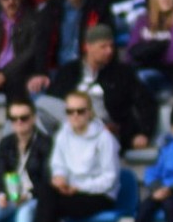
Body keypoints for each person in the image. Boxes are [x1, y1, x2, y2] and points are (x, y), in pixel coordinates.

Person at [39, 23, 157, 151]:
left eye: (111, 46)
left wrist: (143, 133)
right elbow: (55, 104)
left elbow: (146, 103)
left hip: (104, 130)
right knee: (40, 105)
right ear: (88, 47)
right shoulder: (68, 72)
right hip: (71, 127)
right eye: (103, 47)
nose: (109, 51)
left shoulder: (123, 73)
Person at [35, 91, 120, 222]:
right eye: (70, 111)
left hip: (100, 194)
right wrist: (60, 177)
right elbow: (58, 164)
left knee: (50, 206)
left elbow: (109, 179)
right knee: (46, 192)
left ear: (89, 113)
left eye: (80, 111)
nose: (75, 115)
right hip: (71, 190)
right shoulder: (63, 134)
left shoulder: (105, 139)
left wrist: (80, 187)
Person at [28, 0, 114, 92]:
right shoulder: (51, 8)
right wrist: (40, 72)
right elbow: (41, 44)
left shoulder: (100, 6)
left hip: (90, 71)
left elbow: (106, 44)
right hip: (57, 72)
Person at [126, 0, 173, 98]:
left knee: (141, 76)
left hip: (168, 76)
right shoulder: (143, 20)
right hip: (142, 72)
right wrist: (160, 48)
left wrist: (146, 53)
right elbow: (130, 54)